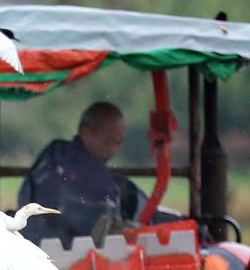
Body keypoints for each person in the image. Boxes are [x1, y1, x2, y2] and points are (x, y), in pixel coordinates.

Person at [16, 101, 156, 244]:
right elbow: (98, 224)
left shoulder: (54, 152)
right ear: (86, 133)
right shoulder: (91, 176)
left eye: (118, 143)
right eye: (108, 142)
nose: (114, 150)